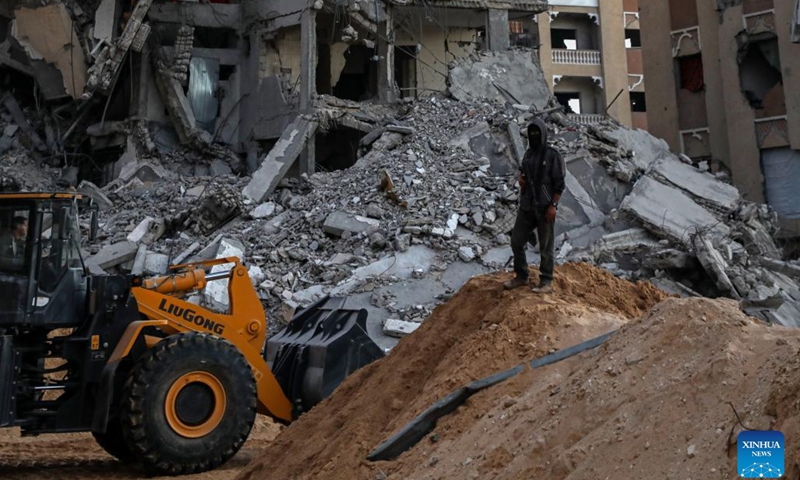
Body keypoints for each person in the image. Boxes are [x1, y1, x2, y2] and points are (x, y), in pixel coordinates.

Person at [504, 119, 566, 293]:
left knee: (546, 247)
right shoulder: (528, 154)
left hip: (545, 208)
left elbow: (559, 184)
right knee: (516, 240)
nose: (534, 136)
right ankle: (521, 276)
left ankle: (546, 281)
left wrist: (553, 205)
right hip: (527, 207)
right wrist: (521, 179)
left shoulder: (553, 156)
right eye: (531, 133)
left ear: (543, 134)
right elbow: (522, 172)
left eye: (537, 133)